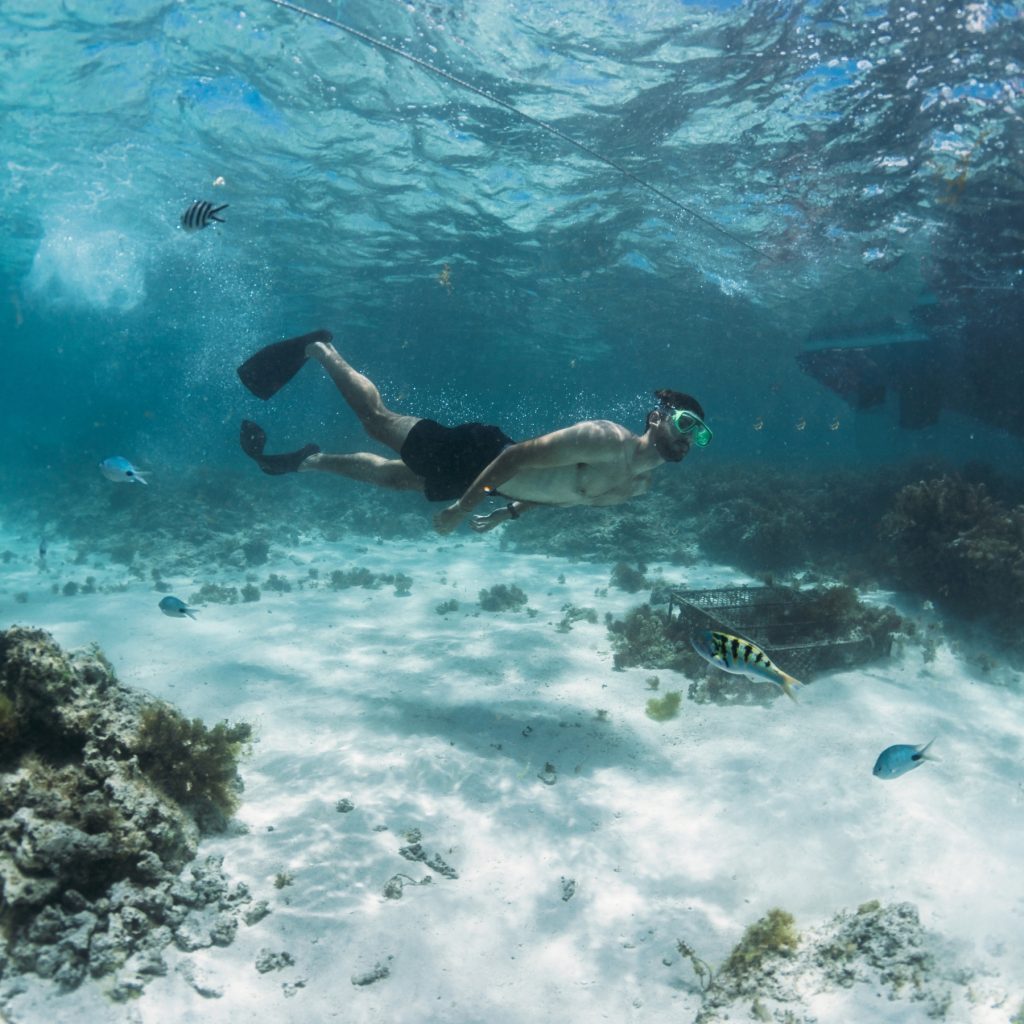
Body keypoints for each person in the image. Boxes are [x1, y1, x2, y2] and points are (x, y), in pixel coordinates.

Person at [236, 330, 711, 534]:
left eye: (700, 436)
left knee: (394, 478)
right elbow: (518, 458)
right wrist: (463, 509)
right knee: (378, 422)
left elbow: (567, 496)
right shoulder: (606, 438)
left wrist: (509, 515)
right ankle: (319, 349)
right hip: (483, 453)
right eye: (687, 424)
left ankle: (306, 461)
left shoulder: (637, 486)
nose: (690, 439)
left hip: (489, 486)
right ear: (656, 417)